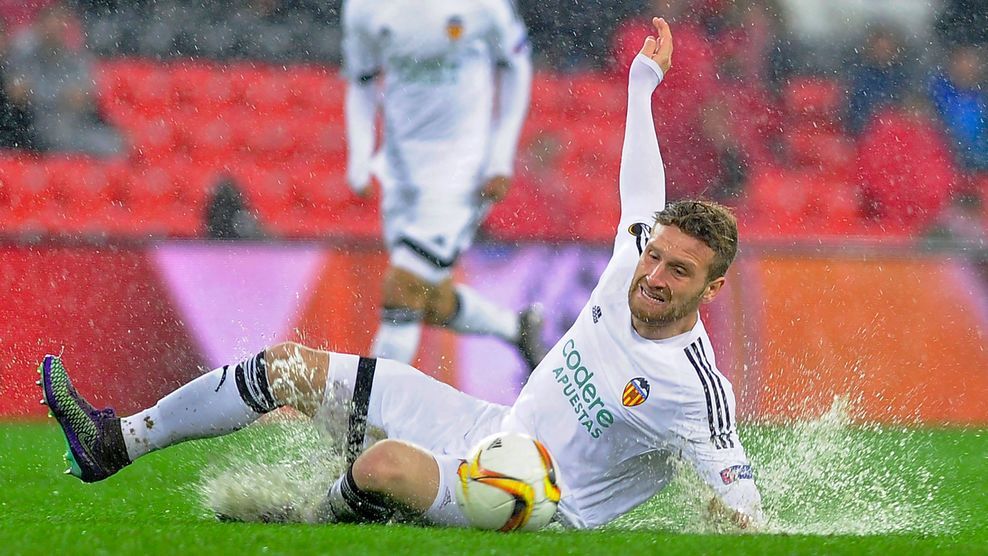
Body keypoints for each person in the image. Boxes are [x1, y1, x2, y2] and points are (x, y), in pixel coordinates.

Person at [41, 18, 763, 531]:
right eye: (655, 255)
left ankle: (307, 516)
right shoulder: (634, 255)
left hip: (530, 499)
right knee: (287, 368)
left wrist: (740, 519)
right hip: (491, 426)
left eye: (679, 271)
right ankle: (114, 442)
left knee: (383, 465)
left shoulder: (695, 390)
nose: (654, 274)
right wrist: (642, 82)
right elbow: (641, 186)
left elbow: (738, 502)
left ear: (712, 288)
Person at [342, 0, 546, 371]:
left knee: (404, 287)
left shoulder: (484, 6)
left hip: (463, 169)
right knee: (430, 299)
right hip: (400, 169)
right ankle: (516, 328)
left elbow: (516, 66)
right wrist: (360, 157)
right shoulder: (364, 8)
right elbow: (361, 80)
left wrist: (500, 158)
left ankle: (367, 404)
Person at [7, 2, 123, 156]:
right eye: (51, 21)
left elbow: (84, 97)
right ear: (39, 24)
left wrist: (81, 98)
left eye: (60, 22)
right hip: (29, 128)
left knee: (114, 145)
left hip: (70, 128)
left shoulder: (77, 58)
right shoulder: (22, 52)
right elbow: (15, 92)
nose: (55, 28)